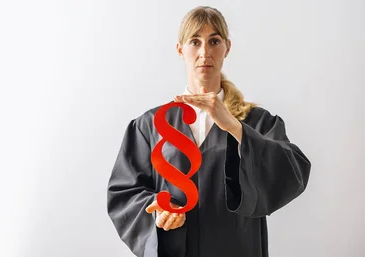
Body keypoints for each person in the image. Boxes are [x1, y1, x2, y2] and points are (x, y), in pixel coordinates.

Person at [106, 6, 311, 257]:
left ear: (227, 47)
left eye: (214, 41)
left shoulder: (257, 122)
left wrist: (235, 127)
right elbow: (124, 192)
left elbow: (293, 172)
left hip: (238, 249)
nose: (205, 52)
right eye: (195, 41)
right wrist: (158, 208)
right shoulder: (150, 126)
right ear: (180, 49)